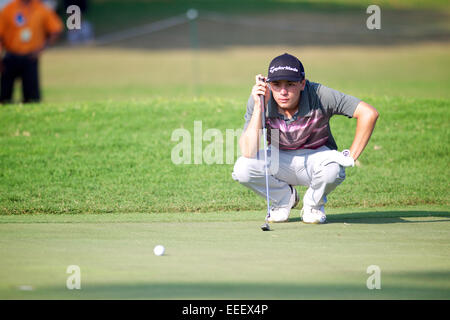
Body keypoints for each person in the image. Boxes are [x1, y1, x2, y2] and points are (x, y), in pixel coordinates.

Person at [232, 53, 379, 224]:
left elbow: (368, 113)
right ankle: (283, 199)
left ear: (302, 83)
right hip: (280, 158)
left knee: (333, 170)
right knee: (242, 168)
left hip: (317, 156)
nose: (283, 92)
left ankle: (313, 205)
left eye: (290, 84)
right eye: (276, 84)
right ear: (268, 84)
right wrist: (259, 107)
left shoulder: (320, 94)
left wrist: (351, 156)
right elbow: (249, 151)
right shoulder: (261, 99)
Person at [0, 0, 63, 103]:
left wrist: (41, 48)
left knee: (32, 99)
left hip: (30, 58)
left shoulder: (41, 8)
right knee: (4, 97)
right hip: (10, 56)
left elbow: (56, 30)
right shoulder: (8, 9)